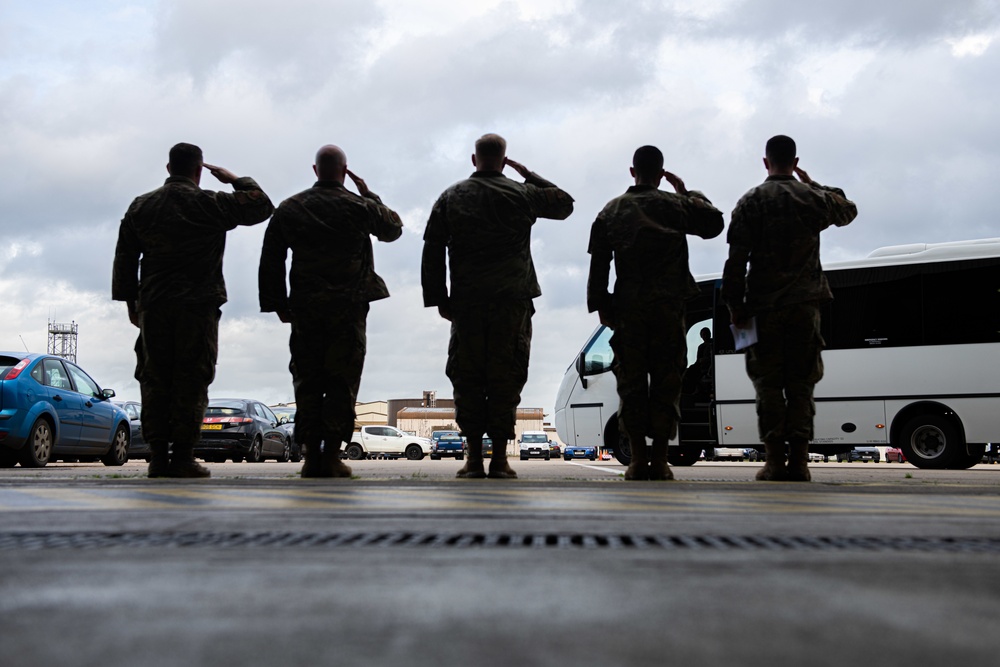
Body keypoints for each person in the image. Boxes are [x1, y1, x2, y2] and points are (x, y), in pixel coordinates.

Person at [113, 143, 274, 478]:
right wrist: (235, 179)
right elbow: (262, 207)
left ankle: (158, 456)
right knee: (192, 377)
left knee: (155, 378)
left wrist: (133, 304)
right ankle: (183, 455)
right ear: (199, 170)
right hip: (197, 306)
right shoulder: (210, 203)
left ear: (169, 167)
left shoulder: (142, 206)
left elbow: (125, 259)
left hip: (155, 305)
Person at [421, 133, 574, 479]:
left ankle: (473, 459)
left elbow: (432, 248)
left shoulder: (452, 197)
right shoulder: (523, 194)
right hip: (511, 303)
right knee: (506, 376)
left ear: (473, 160)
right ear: (504, 161)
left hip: (468, 303)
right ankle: (501, 460)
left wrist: (439, 299)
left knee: (468, 375)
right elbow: (564, 205)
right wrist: (529, 174)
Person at [259, 145, 402, 478]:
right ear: (345, 170)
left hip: (306, 307)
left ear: (315, 170)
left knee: (307, 379)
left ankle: (310, 455)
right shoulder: (358, 205)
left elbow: (272, 258)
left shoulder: (291, 208)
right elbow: (393, 230)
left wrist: (278, 303)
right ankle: (333, 454)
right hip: (348, 308)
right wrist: (371, 195)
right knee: (342, 380)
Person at [721, 135, 858, 482]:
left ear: (765, 162)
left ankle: (773, 461)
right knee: (801, 385)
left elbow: (735, 262)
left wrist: (735, 306)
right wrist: (812, 182)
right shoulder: (812, 198)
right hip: (804, 307)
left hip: (763, 308)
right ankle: (799, 462)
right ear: (795, 161)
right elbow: (847, 210)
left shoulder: (750, 202)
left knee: (768, 386)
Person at [587, 145, 724, 481]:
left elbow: (599, 264)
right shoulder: (676, 205)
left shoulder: (612, 210)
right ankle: (661, 459)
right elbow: (714, 224)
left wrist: (601, 306)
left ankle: (635, 460)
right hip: (669, 309)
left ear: (632, 172)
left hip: (630, 310)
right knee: (667, 382)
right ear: (661, 173)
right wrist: (687, 191)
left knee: (631, 383)